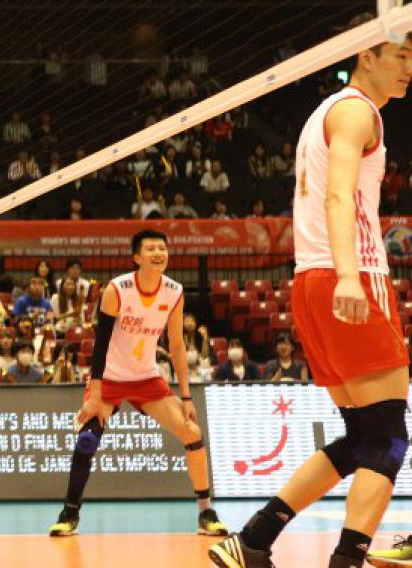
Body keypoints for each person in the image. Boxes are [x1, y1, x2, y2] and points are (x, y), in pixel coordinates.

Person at [212, 16, 412, 568]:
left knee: (363, 439)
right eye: (400, 55)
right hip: (351, 276)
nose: (409, 68)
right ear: (365, 56)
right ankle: (346, 560)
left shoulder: (323, 113)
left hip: (308, 281)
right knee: (390, 438)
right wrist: (351, 275)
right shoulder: (355, 111)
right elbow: (338, 197)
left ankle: (251, 540)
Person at [50, 230, 226, 538]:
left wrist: (186, 396)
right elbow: (100, 344)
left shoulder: (174, 291)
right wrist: (95, 392)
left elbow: (177, 346)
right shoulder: (117, 289)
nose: (159, 252)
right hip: (111, 377)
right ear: (137, 258)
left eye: (162, 247)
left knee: (192, 433)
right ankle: (70, 512)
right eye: (151, 248)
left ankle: (206, 512)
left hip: (147, 377)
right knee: (86, 441)